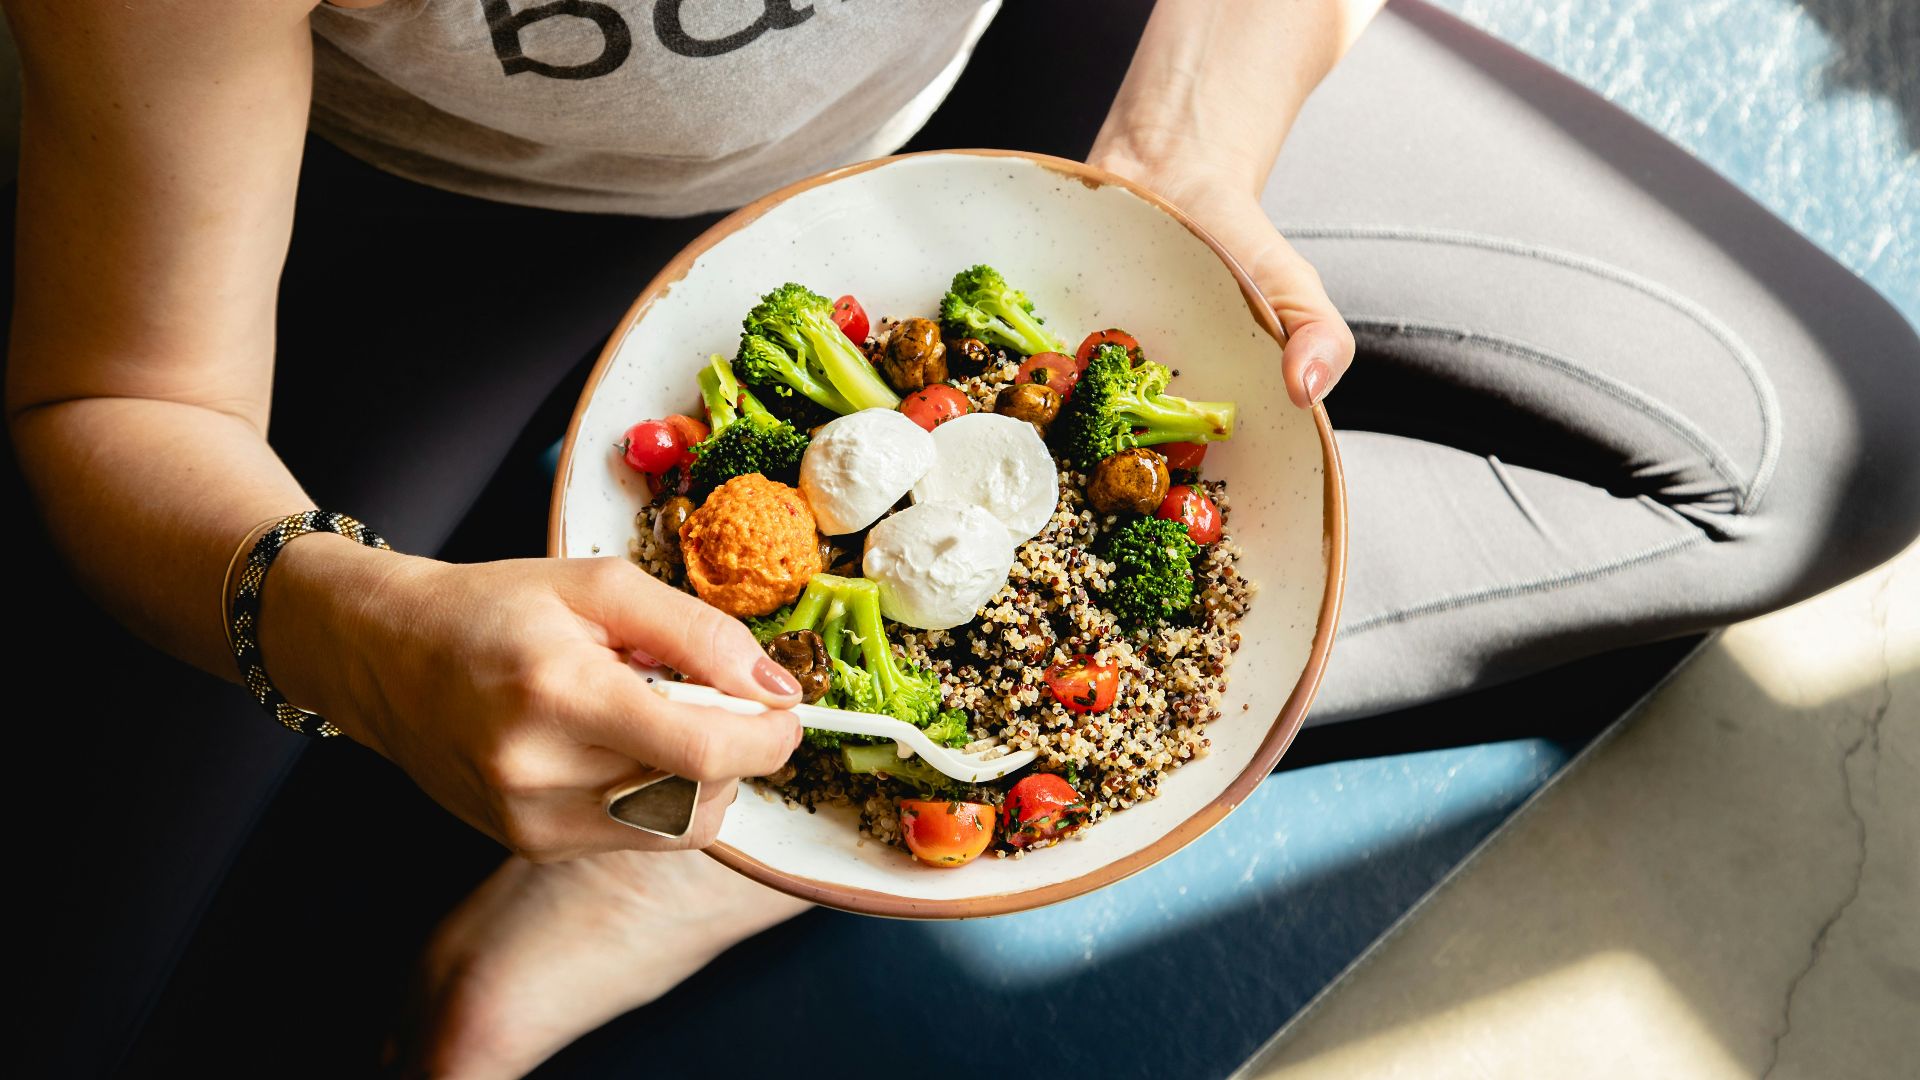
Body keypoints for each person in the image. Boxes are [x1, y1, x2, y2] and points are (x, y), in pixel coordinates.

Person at [6, 0, 1916, 1076]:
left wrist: (1192, 150)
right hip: (439, 217)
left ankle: (722, 852)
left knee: (1817, 447)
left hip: (1039, 60)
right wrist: (354, 634)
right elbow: (125, 401)